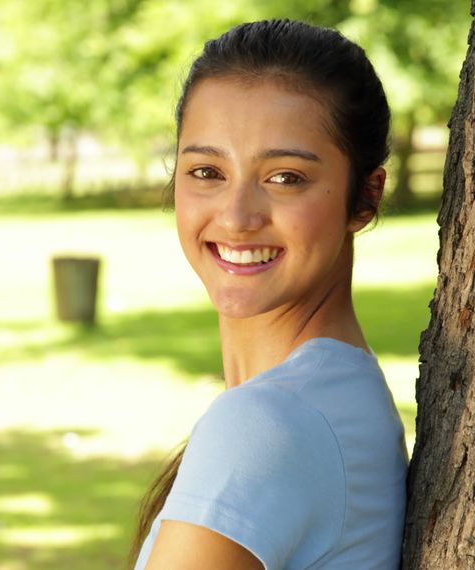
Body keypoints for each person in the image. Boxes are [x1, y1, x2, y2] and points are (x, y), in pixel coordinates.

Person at [128, 20, 408, 570]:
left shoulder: (270, 423)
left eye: (285, 177)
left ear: (365, 197)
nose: (236, 218)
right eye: (207, 171)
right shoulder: (335, 393)